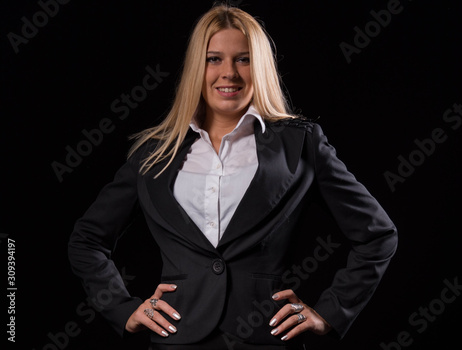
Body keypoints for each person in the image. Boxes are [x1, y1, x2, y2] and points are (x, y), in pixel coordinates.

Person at [68, 3, 398, 349]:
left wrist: (331, 312)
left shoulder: (301, 142)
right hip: (176, 339)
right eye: (214, 59)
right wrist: (123, 309)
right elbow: (87, 240)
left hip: (265, 338)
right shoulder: (153, 152)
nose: (230, 73)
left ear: (261, 67)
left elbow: (378, 235)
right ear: (198, 66)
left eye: (243, 59)